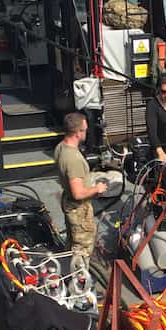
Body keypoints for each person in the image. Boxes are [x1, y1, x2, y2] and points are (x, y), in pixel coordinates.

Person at [54, 112, 107, 263]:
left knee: (72, 242)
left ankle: (70, 275)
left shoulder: (60, 147)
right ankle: (80, 283)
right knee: (82, 249)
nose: (87, 132)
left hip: (68, 202)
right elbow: (78, 193)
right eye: (85, 129)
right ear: (78, 133)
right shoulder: (73, 159)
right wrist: (97, 188)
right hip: (79, 209)